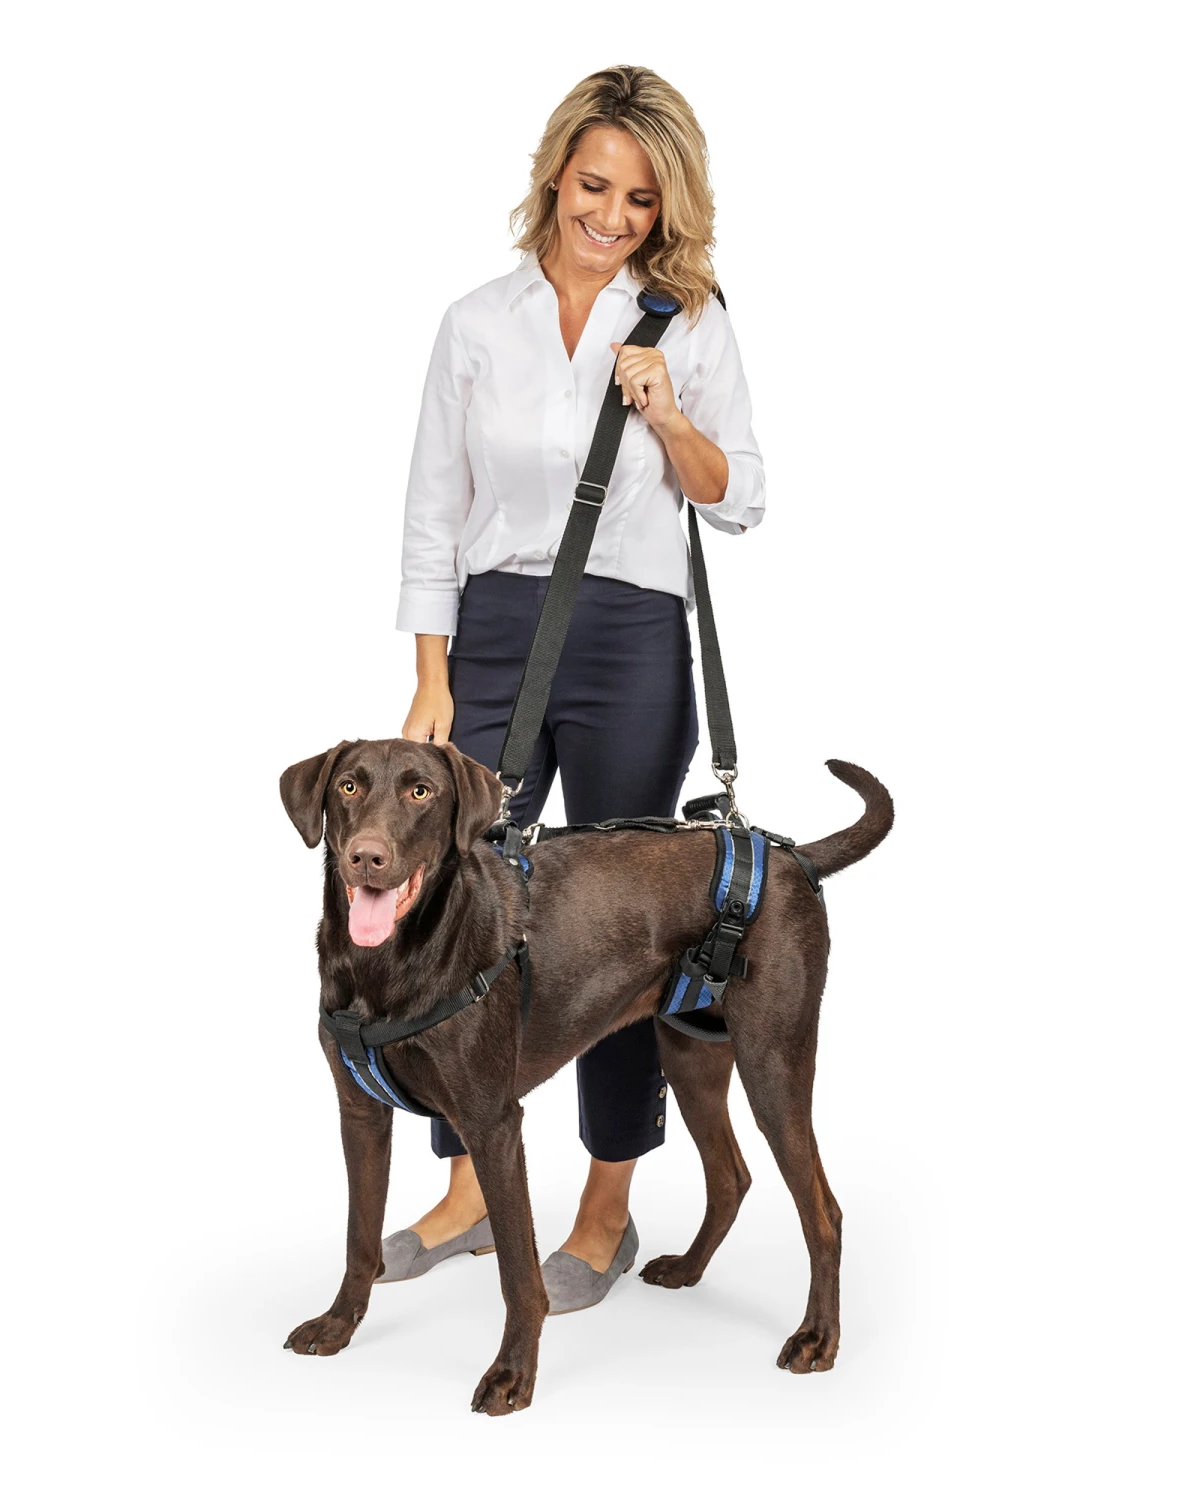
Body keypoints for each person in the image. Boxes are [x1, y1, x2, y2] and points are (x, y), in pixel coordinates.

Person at [387, 64, 766, 1312]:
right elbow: (434, 508)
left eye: (641, 200)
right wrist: (432, 675)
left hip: (632, 640)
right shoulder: (476, 323)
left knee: (615, 926)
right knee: (458, 904)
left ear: (669, 208)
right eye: (593, 185)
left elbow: (741, 497)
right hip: (494, 629)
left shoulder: (685, 320)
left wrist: (668, 415)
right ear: (554, 173)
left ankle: (606, 1205)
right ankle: (463, 1186)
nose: (611, 216)